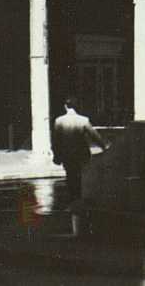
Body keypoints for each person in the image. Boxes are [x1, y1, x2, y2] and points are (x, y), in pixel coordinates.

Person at [52, 98, 107, 236]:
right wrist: (104, 146)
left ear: (65, 106)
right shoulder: (83, 120)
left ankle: (73, 205)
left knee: (70, 178)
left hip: (67, 156)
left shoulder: (59, 121)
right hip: (81, 155)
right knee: (80, 178)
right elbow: (94, 135)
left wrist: (56, 156)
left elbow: (56, 140)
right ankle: (79, 205)